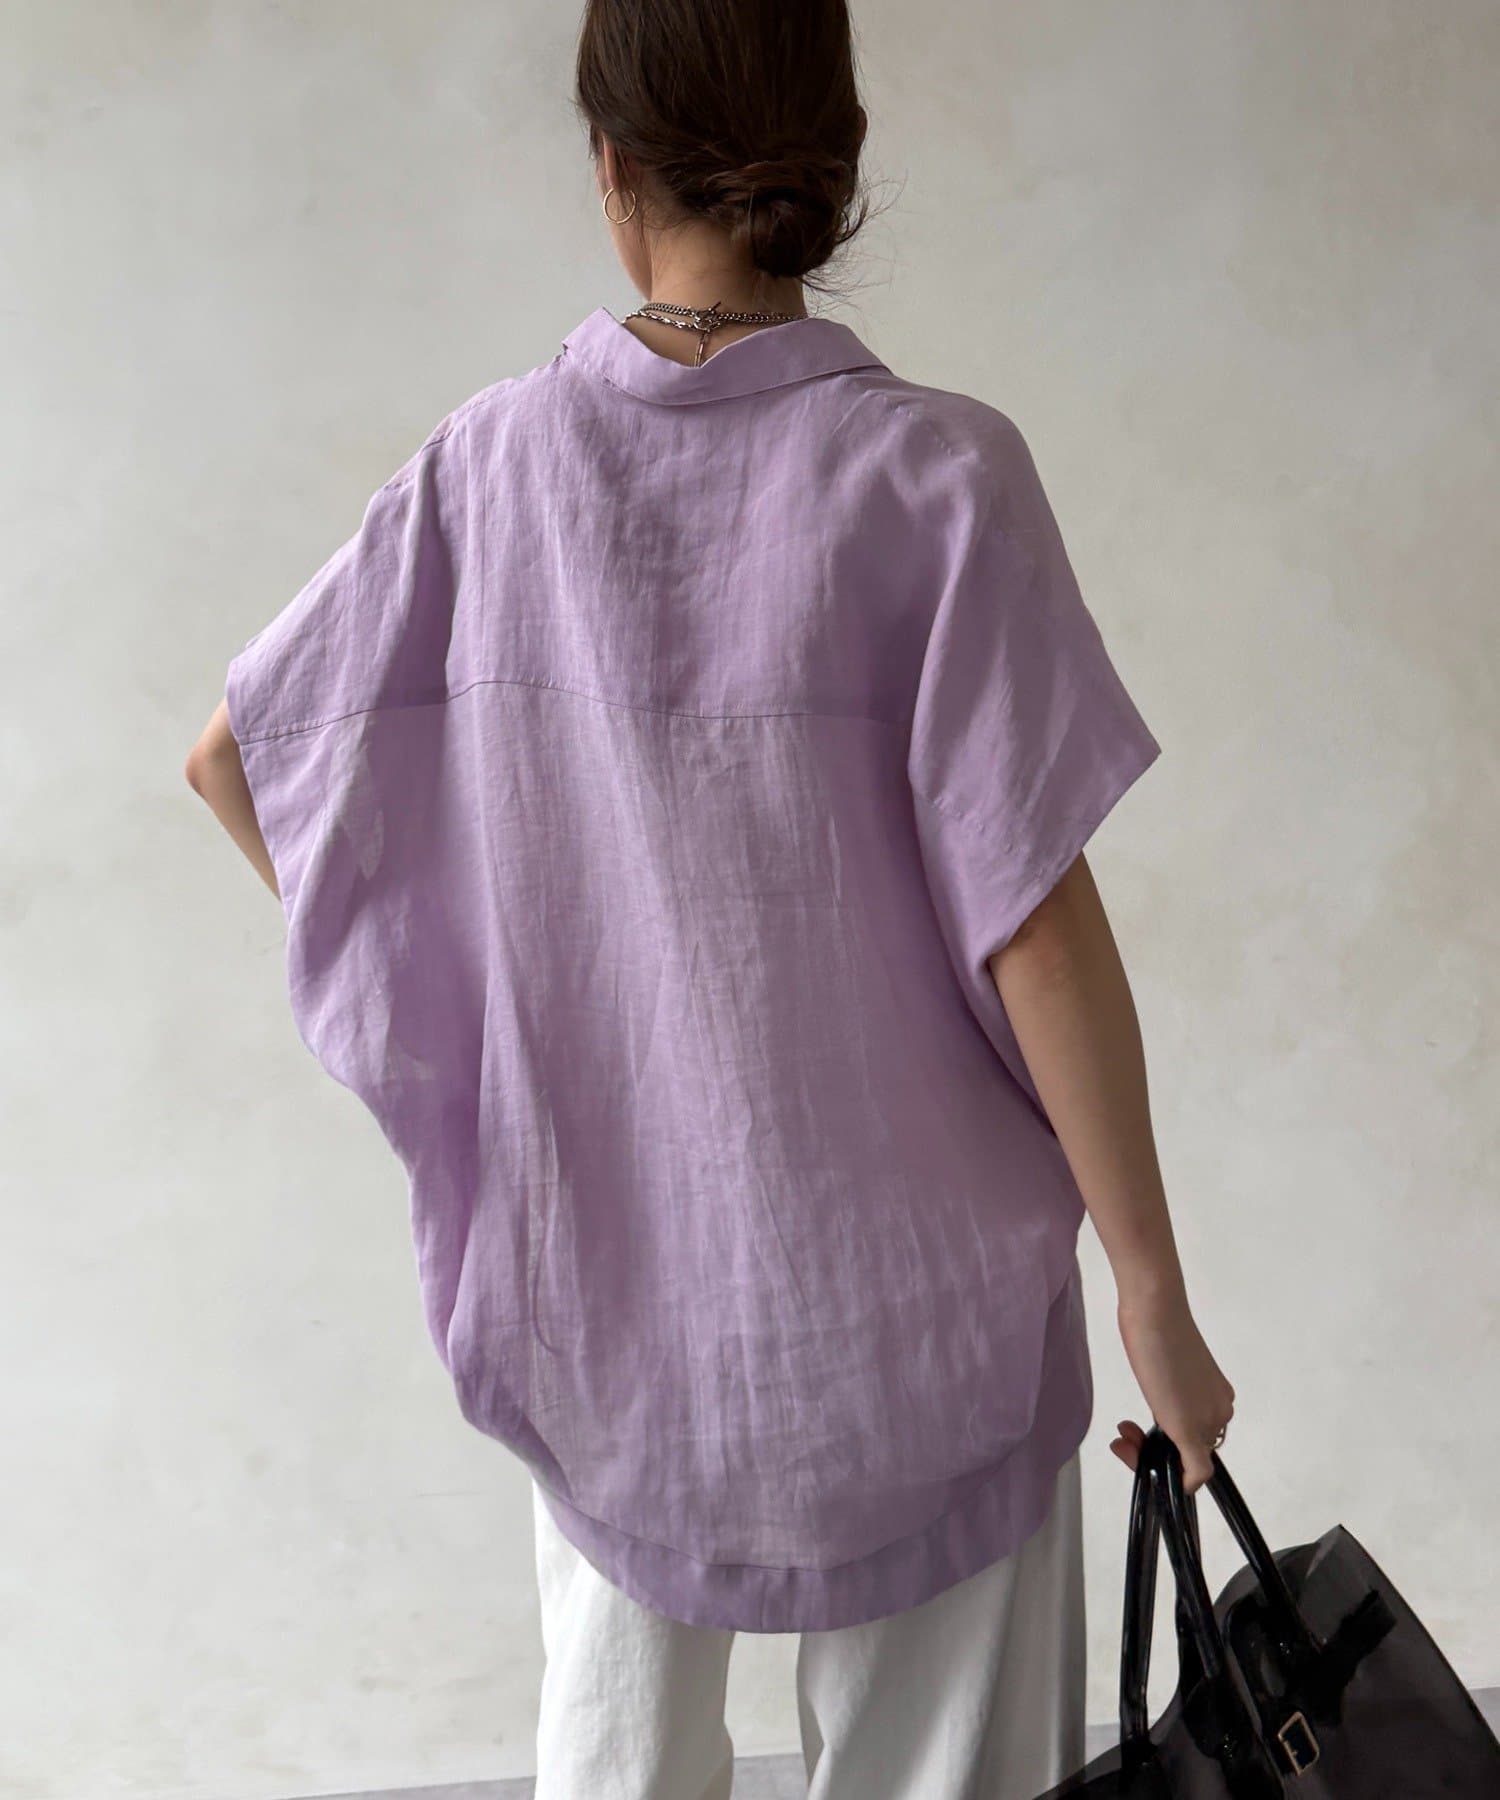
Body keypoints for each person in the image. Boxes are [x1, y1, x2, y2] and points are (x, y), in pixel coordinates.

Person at [185, 2, 1233, 1794]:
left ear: (611, 167)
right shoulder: (941, 476)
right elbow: (1035, 923)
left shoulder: (489, 472)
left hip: (606, 1309)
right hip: (927, 1316)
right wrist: (1154, 1294)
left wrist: (488, 1016)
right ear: (838, 158)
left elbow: (235, 759)